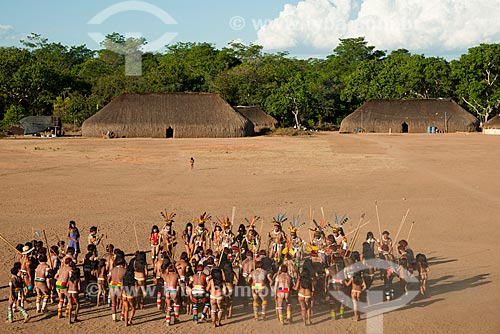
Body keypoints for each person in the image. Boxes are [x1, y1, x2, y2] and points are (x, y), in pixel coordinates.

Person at [325, 255, 346, 320]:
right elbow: (345, 278)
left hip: (332, 287)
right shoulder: (342, 268)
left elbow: (326, 278)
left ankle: (333, 316)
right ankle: (341, 314)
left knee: (332, 301)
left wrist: (325, 286)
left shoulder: (329, 269)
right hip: (340, 286)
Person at [108, 255, 127, 322]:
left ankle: (114, 316)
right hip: (120, 286)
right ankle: (122, 315)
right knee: (123, 301)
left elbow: (108, 279)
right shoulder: (125, 270)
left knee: (113, 303)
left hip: (112, 286)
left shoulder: (112, 270)